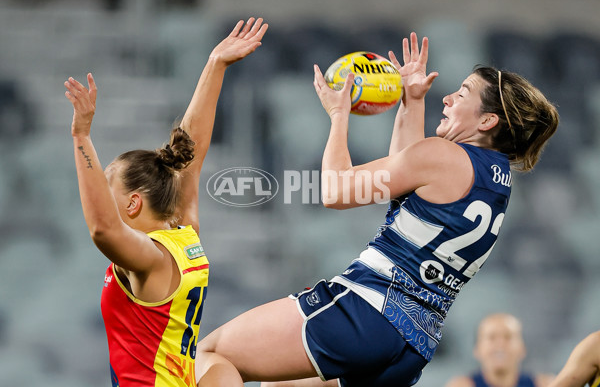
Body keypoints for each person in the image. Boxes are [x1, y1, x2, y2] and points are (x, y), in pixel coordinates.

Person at [195, 32, 559, 387]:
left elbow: (335, 191)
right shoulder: (498, 182)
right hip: (412, 343)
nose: (447, 98)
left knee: (214, 353)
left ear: (487, 121)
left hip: (366, 309)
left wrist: (339, 115)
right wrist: (411, 102)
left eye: (462, 93)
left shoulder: (444, 155)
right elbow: (407, 179)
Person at [64, 17, 268, 387]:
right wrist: (215, 65)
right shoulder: (187, 235)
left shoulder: (149, 260)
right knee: (217, 366)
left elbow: (102, 228)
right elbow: (192, 150)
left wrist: (82, 136)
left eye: (109, 186)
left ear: (133, 204)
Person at [445, 313, 554, 387]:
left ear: (522, 348)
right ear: (477, 349)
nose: (500, 345)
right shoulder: (460, 385)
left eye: (508, 337)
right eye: (491, 337)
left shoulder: (546, 384)